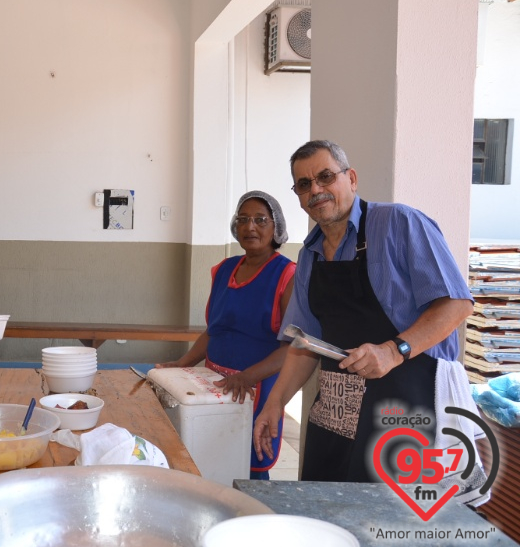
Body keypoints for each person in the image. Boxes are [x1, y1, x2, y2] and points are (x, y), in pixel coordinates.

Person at [252, 140, 474, 483]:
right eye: (304, 184)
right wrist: (275, 403)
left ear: (351, 178)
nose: (317, 189)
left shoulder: (400, 223)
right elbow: (303, 344)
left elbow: (457, 304)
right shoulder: (309, 255)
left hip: (405, 411)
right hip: (336, 413)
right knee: (326, 515)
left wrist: (393, 350)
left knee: (390, 525)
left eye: (326, 176)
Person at [156, 190, 295, 479]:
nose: (250, 226)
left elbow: (291, 348)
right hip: (214, 385)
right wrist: (182, 363)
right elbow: (213, 331)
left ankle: (249, 519)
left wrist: (246, 377)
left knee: (249, 463)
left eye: (260, 219)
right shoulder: (224, 269)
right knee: (209, 460)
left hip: (256, 388)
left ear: (276, 227)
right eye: (242, 219)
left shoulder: (287, 275)